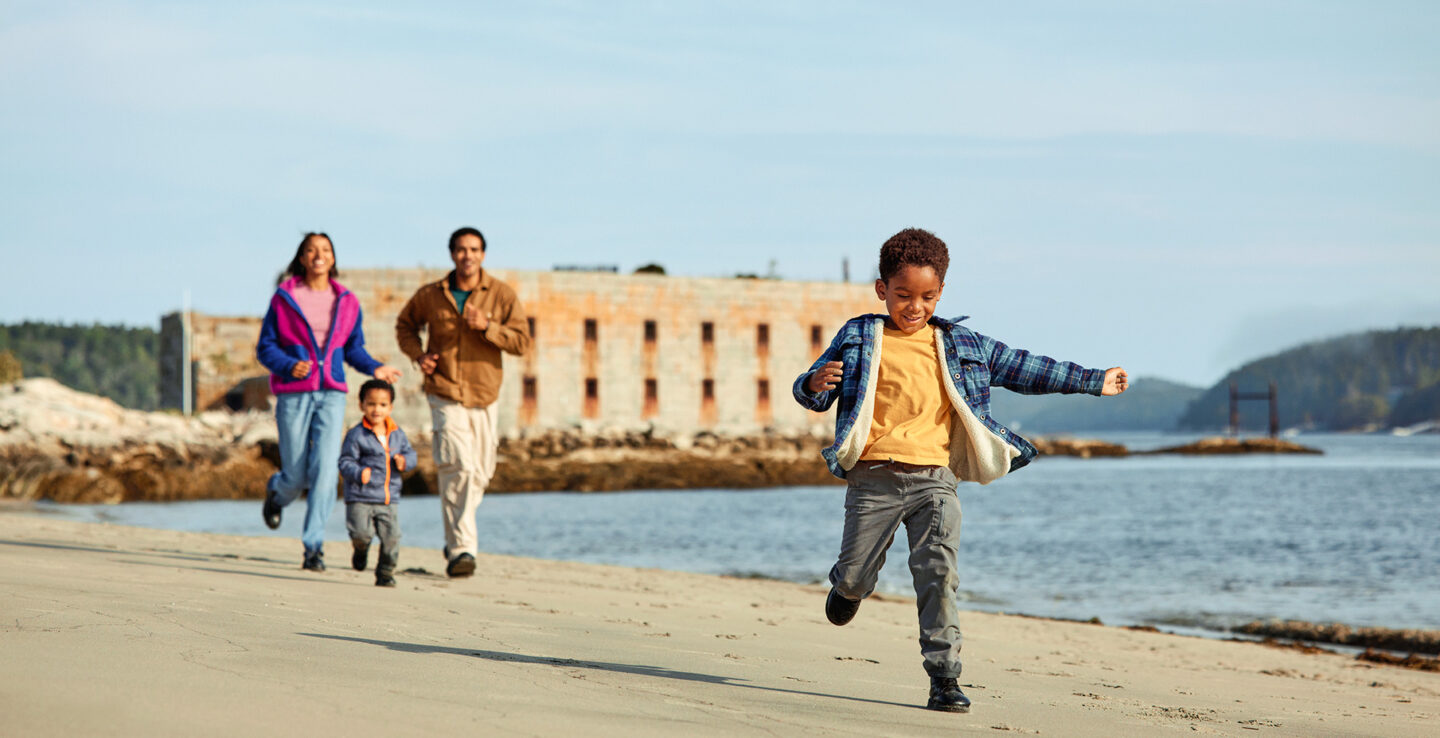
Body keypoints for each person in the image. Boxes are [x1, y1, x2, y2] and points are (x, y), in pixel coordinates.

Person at [792, 228, 1129, 713]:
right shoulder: (861, 335)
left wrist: (1093, 381)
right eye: (903, 295)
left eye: (927, 297)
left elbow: (1026, 368)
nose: (915, 307)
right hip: (874, 478)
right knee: (854, 575)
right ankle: (850, 585)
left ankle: (944, 678)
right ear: (882, 290)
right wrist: (813, 383)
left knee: (937, 574)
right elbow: (815, 391)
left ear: (941, 293)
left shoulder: (961, 343)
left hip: (935, 480)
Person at [256, 232, 402, 572]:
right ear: (302, 258)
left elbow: (353, 349)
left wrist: (375, 367)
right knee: (295, 474)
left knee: (324, 471)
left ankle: (313, 547)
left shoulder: (347, 301)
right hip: (294, 392)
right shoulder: (284, 298)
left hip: (332, 393)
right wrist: (289, 365)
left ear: (333, 258)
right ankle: (276, 494)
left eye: (325, 250)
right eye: (311, 250)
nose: (318, 255)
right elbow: (265, 347)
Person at [395, 227, 531, 578]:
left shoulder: (501, 295)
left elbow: (521, 342)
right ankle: (461, 550)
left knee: (481, 473)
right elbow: (405, 326)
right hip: (444, 391)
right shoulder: (431, 295)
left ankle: (457, 531)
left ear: (483, 254)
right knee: (459, 466)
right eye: (460, 249)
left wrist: (488, 326)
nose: (467, 255)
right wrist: (418, 355)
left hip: (485, 393)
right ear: (452, 254)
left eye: (473, 249)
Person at [337, 378, 417, 587]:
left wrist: (404, 461)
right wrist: (358, 471)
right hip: (360, 496)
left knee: (392, 538)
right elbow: (345, 461)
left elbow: (411, 455)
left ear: (390, 407)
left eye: (382, 405)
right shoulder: (356, 435)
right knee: (361, 534)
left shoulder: (397, 434)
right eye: (371, 404)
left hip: (388, 497)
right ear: (361, 405)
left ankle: (385, 572)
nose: (376, 409)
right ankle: (361, 550)